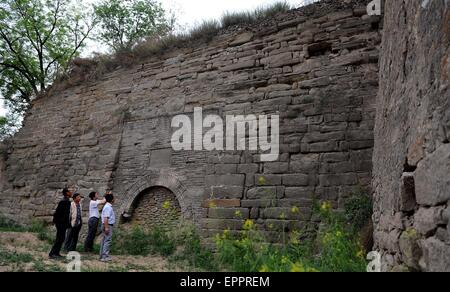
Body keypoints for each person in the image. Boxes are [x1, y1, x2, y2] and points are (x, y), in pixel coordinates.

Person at [49, 188, 72, 259]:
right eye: (69, 191)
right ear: (67, 193)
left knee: (61, 238)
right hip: (60, 224)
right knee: (59, 238)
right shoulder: (63, 201)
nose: (71, 192)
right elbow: (58, 213)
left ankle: (56, 253)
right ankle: (52, 253)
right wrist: (58, 222)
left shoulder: (67, 201)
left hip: (63, 224)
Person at [99, 193, 115, 262]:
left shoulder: (107, 206)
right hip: (107, 225)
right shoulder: (108, 207)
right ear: (111, 200)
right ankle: (104, 257)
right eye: (114, 198)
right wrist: (106, 227)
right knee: (107, 240)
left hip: (106, 225)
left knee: (104, 240)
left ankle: (102, 256)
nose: (115, 199)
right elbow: (106, 218)